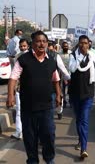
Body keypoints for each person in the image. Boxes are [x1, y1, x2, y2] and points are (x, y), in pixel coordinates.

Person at [6, 31, 61, 164]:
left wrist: (59, 95)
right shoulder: (23, 60)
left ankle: (49, 160)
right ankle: (32, 161)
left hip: (47, 107)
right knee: (30, 138)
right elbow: (13, 78)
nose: (41, 44)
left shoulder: (51, 61)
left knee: (48, 136)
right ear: (32, 44)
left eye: (44, 41)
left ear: (47, 44)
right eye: (38, 41)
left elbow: (56, 80)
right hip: (28, 107)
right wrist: (10, 95)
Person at [10, 38, 29, 140]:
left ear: (28, 46)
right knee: (19, 110)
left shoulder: (31, 56)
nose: (23, 48)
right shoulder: (17, 57)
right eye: (21, 46)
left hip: (30, 88)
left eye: (24, 46)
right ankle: (19, 131)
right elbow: (14, 75)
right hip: (19, 88)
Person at [59, 41, 72, 108]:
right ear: (62, 47)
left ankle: (70, 101)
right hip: (61, 74)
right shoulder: (59, 53)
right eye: (64, 46)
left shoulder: (70, 53)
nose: (65, 47)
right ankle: (64, 102)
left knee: (70, 89)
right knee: (62, 89)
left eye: (66, 46)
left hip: (70, 74)